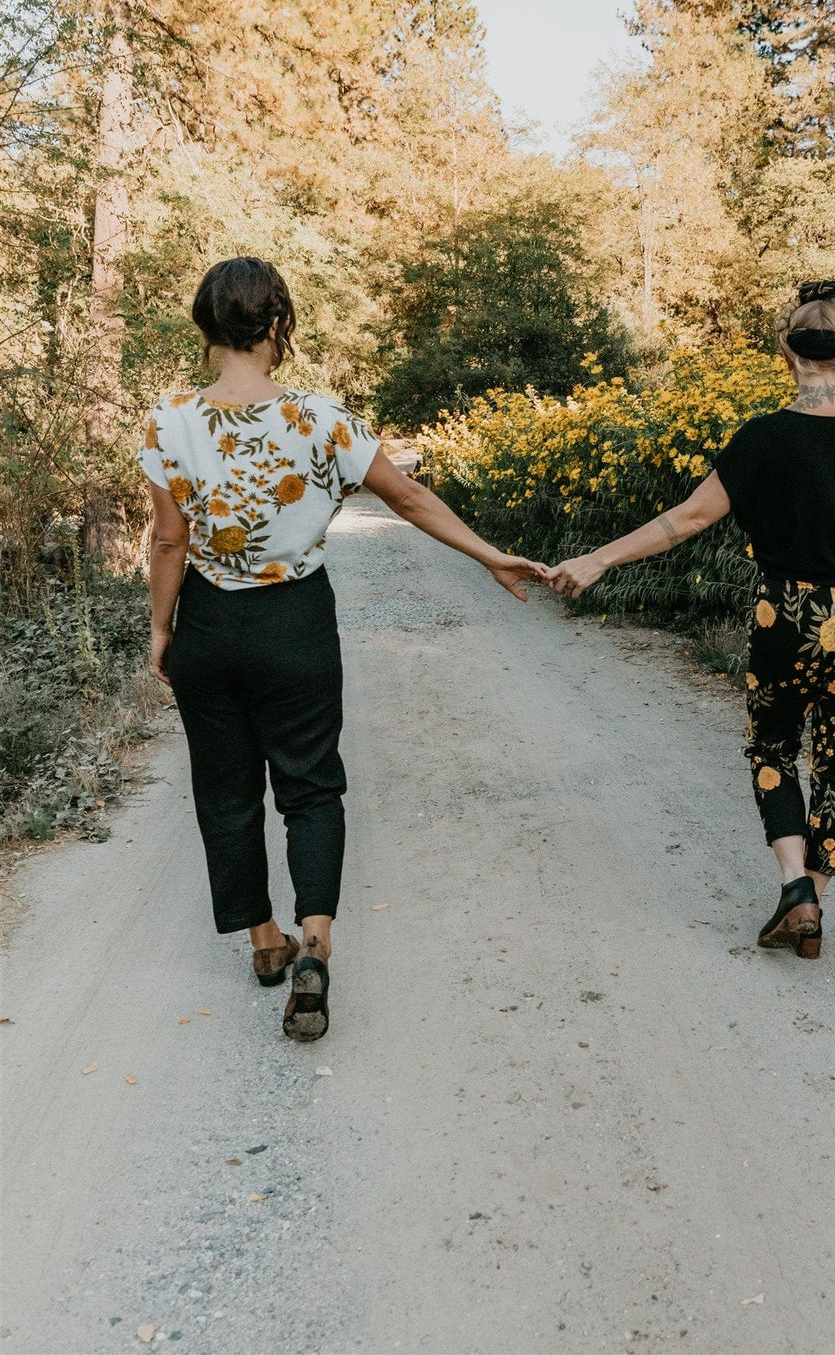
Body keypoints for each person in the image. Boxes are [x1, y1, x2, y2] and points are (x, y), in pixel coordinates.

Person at [139, 257, 545, 1040]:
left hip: (210, 624)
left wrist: (163, 629)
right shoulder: (323, 419)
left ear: (204, 328)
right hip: (295, 622)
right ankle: (315, 941)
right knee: (311, 786)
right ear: (279, 326)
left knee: (225, 791)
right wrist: (491, 554)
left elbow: (167, 540)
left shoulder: (168, 421)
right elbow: (411, 497)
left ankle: (264, 943)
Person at [545, 280, 835, 959]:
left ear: (788, 351)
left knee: (773, 750)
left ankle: (793, 890)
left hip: (788, 614)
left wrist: (599, 559)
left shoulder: (762, 438)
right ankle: (816, 896)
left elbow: (685, 521)